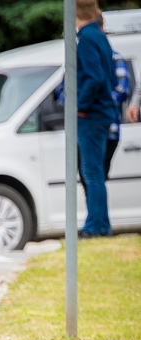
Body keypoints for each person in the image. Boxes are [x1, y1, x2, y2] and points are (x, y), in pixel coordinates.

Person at [56, 10, 131, 188]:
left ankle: (97, 216)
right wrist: (72, 104)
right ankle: (95, 214)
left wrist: (84, 104)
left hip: (103, 126)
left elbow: (119, 90)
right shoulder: (79, 56)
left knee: (95, 176)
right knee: (88, 177)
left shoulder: (113, 57)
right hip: (82, 127)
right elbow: (63, 89)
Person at [75, 0, 118, 238]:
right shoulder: (99, 36)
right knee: (95, 172)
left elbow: (95, 78)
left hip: (91, 115)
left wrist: (79, 106)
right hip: (102, 112)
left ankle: (96, 226)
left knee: (92, 172)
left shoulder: (87, 40)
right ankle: (100, 223)